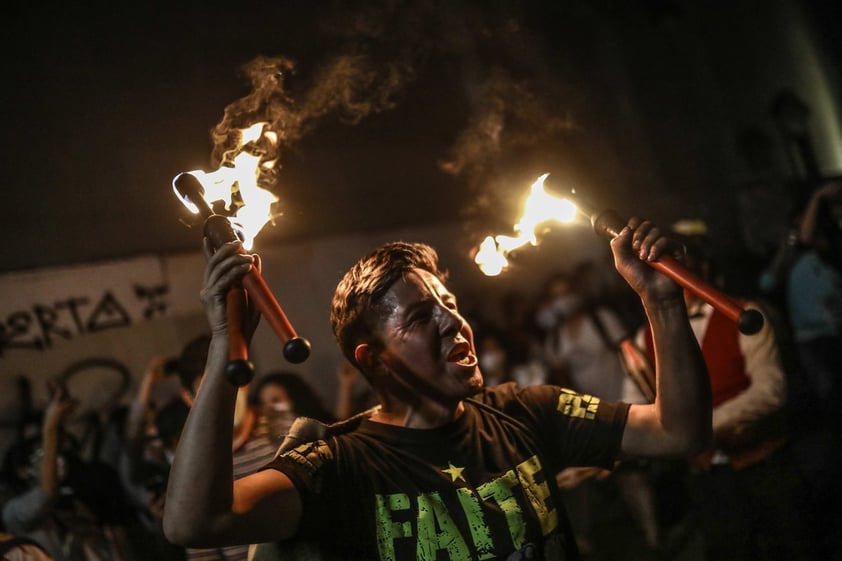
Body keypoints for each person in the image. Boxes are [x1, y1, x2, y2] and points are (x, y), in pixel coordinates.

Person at [163, 217, 712, 560]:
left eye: (450, 305)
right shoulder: (342, 464)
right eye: (423, 316)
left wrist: (661, 302)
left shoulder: (526, 411)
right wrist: (222, 345)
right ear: (372, 361)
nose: (455, 323)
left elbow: (677, 431)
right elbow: (194, 521)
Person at [636, 228, 821, 561]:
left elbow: (771, 391)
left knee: (797, 546)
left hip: (763, 459)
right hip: (708, 477)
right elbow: (642, 405)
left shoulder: (743, 313)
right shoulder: (642, 338)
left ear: (702, 267)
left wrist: (699, 429)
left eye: (679, 263)